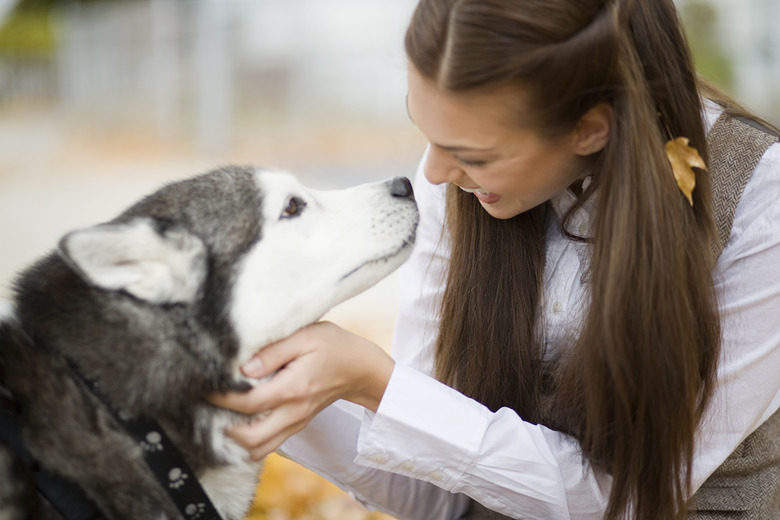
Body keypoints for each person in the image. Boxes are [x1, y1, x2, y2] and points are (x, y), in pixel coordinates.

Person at [209, 0, 780, 518]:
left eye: (473, 156)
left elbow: (623, 499)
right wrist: (285, 391)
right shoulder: (456, 186)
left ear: (591, 128)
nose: (432, 174)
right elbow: (441, 491)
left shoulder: (758, 198)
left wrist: (376, 384)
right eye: (425, 131)